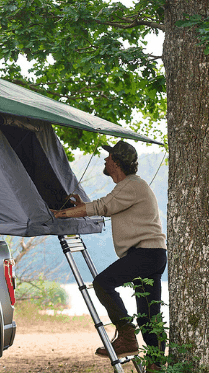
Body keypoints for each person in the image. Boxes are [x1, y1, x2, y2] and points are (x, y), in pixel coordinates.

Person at [50, 141, 167, 357]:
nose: (105, 160)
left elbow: (103, 206)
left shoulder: (131, 185)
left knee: (103, 283)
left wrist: (61, 214)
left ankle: (126, 334)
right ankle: (155, 369)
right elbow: (107, 204)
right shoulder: (130, 186)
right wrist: (80, 207)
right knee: (148, 316)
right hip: (152, 253)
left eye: (109, 156)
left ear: (117, 162)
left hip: (146, 253)